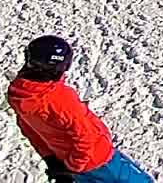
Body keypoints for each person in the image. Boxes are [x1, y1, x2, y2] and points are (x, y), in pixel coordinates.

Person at [8, 36, 153, 183]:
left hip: (67, 160)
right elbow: (85, 138)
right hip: (98, 159)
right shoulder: (59, 99)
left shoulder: (21, 95)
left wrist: (51, 159)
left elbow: (28, 128)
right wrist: (74, 166)